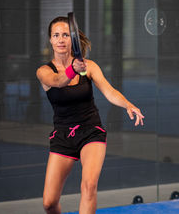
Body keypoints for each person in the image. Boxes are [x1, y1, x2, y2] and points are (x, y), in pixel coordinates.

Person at [36, 16, 145, 214]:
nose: (61, 39)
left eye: (66, 35)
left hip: (90, 132)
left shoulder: (90, 66)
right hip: (62, 136)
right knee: (49, 203)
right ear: (50, 40)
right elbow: (58, 81)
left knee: (88, 186)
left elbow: (110, 91)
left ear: (73, 39)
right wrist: (72, 70)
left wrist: (128, 105)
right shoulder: (43, 71)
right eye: (56, 35)